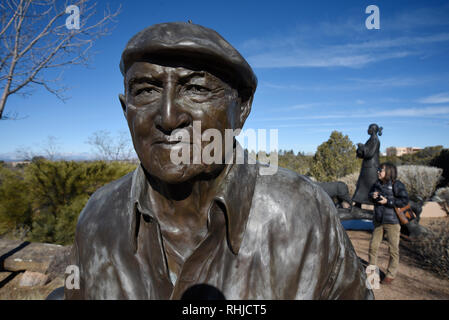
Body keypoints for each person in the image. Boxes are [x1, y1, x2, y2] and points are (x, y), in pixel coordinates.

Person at [64, 22, 373, 299]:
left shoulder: (305, 213)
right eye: (146, 91)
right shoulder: (97, 218)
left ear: (242, 108)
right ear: (126, 109)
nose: (169, 117)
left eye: (196, 89)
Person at [368, 162, 409, 284]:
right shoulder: (376, 184)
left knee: (393, 250)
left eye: (381, 170)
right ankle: (372, 273)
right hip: (378, 221)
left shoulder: (397, 184)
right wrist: (373, 196)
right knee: (373, 247)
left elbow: (404, 201)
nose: (379, 172)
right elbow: (369, 196)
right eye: (379, 169)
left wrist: (388, 201)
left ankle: (390, 275)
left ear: (389, 172)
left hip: (393, 222)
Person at [352, 124, 382, 210]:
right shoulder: (371, 139)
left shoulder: (375, 140)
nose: (367, 130)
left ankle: (376, 204)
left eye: (369, 128)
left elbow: (370, 153)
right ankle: (358, 204)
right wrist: (360, 150)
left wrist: (362, 147)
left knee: (370, 185)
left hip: (371, 167)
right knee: (362, 184)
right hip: (368, 166)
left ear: (372, 129)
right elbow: (365, 153)